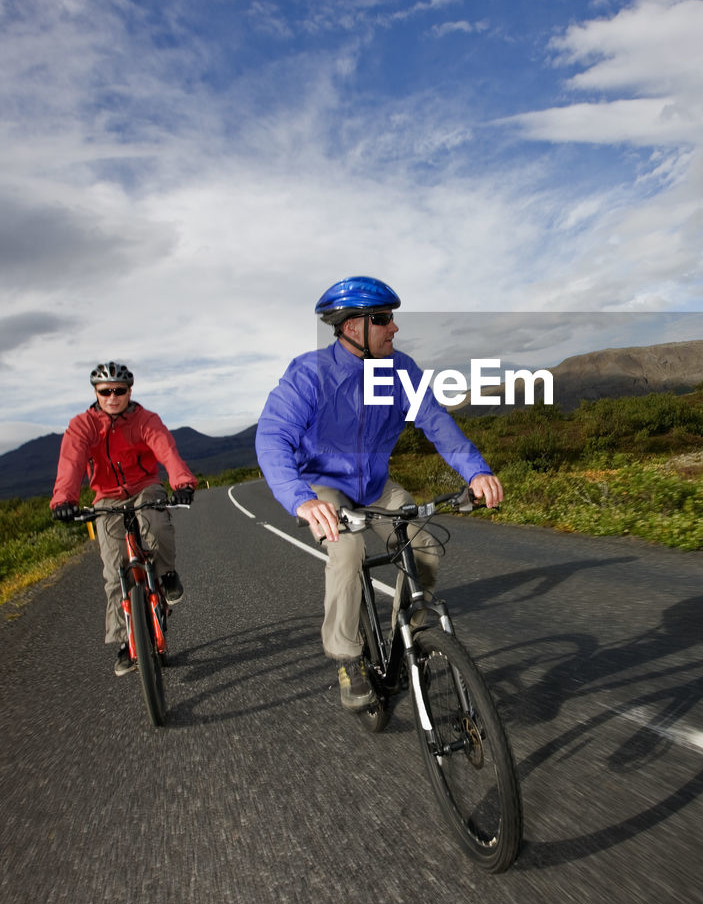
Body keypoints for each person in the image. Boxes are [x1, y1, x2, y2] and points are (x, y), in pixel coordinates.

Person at [256, 276, 503, 711]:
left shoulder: (401, 370)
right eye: (384, 319)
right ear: (353, 327)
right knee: (347, 551)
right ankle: (346, 657)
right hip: (323, 483)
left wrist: (476, 472)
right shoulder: (310, 373)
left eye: (393, 318)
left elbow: (436, 421)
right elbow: (273, 437)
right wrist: (302, 498)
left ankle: (413, 642)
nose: (394, 328)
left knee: (423, 548)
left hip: (374, 484)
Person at [50, 362, 197, 676]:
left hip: (145, 487)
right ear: (96, 393)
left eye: (120, 390)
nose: (113, 396)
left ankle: (167, 575)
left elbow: (166, 451)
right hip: (106, 496)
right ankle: (124, 642)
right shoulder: (82, 425)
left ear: (130, 391)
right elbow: (71, 462)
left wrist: (182, 482)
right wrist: (64, 500)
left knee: (157, 524)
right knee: (114, 568)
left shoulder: (146, 420)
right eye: (105, 391)